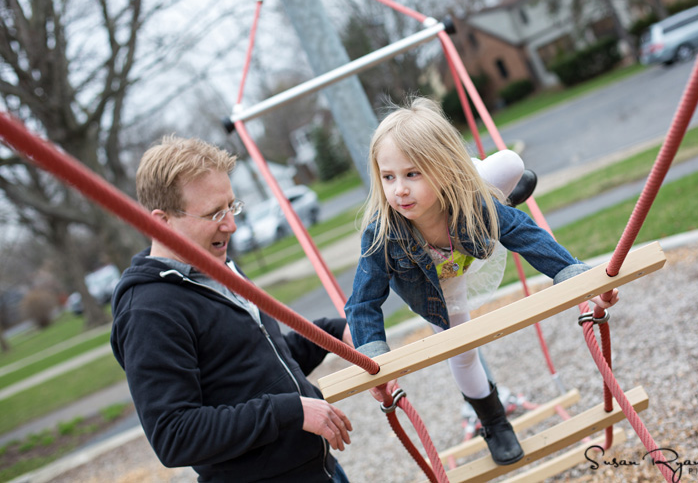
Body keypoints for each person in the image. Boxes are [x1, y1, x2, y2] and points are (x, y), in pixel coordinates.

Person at [344, 97, 619, 466]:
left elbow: (526, 235)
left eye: (412, 174)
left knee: (509, 168)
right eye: (388, 177)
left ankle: (497, 194)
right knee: (463, 354)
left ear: (442, 169)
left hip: (465, 210)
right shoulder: (381, 235)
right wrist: (374, 359)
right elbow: (362, 302)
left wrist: (573, 274)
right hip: (440, 287)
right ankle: (493, 421)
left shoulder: (471, 203)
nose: (399, 190)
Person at [111, 135, 353, 483]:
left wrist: (333, 334)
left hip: (319, 470)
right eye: (214, 213)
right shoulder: (148, 312)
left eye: (231, 206)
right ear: (161, 222)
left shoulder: (217, 266)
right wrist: (289, 411)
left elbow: (258, 367)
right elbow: (175, 435)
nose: (231, 224)